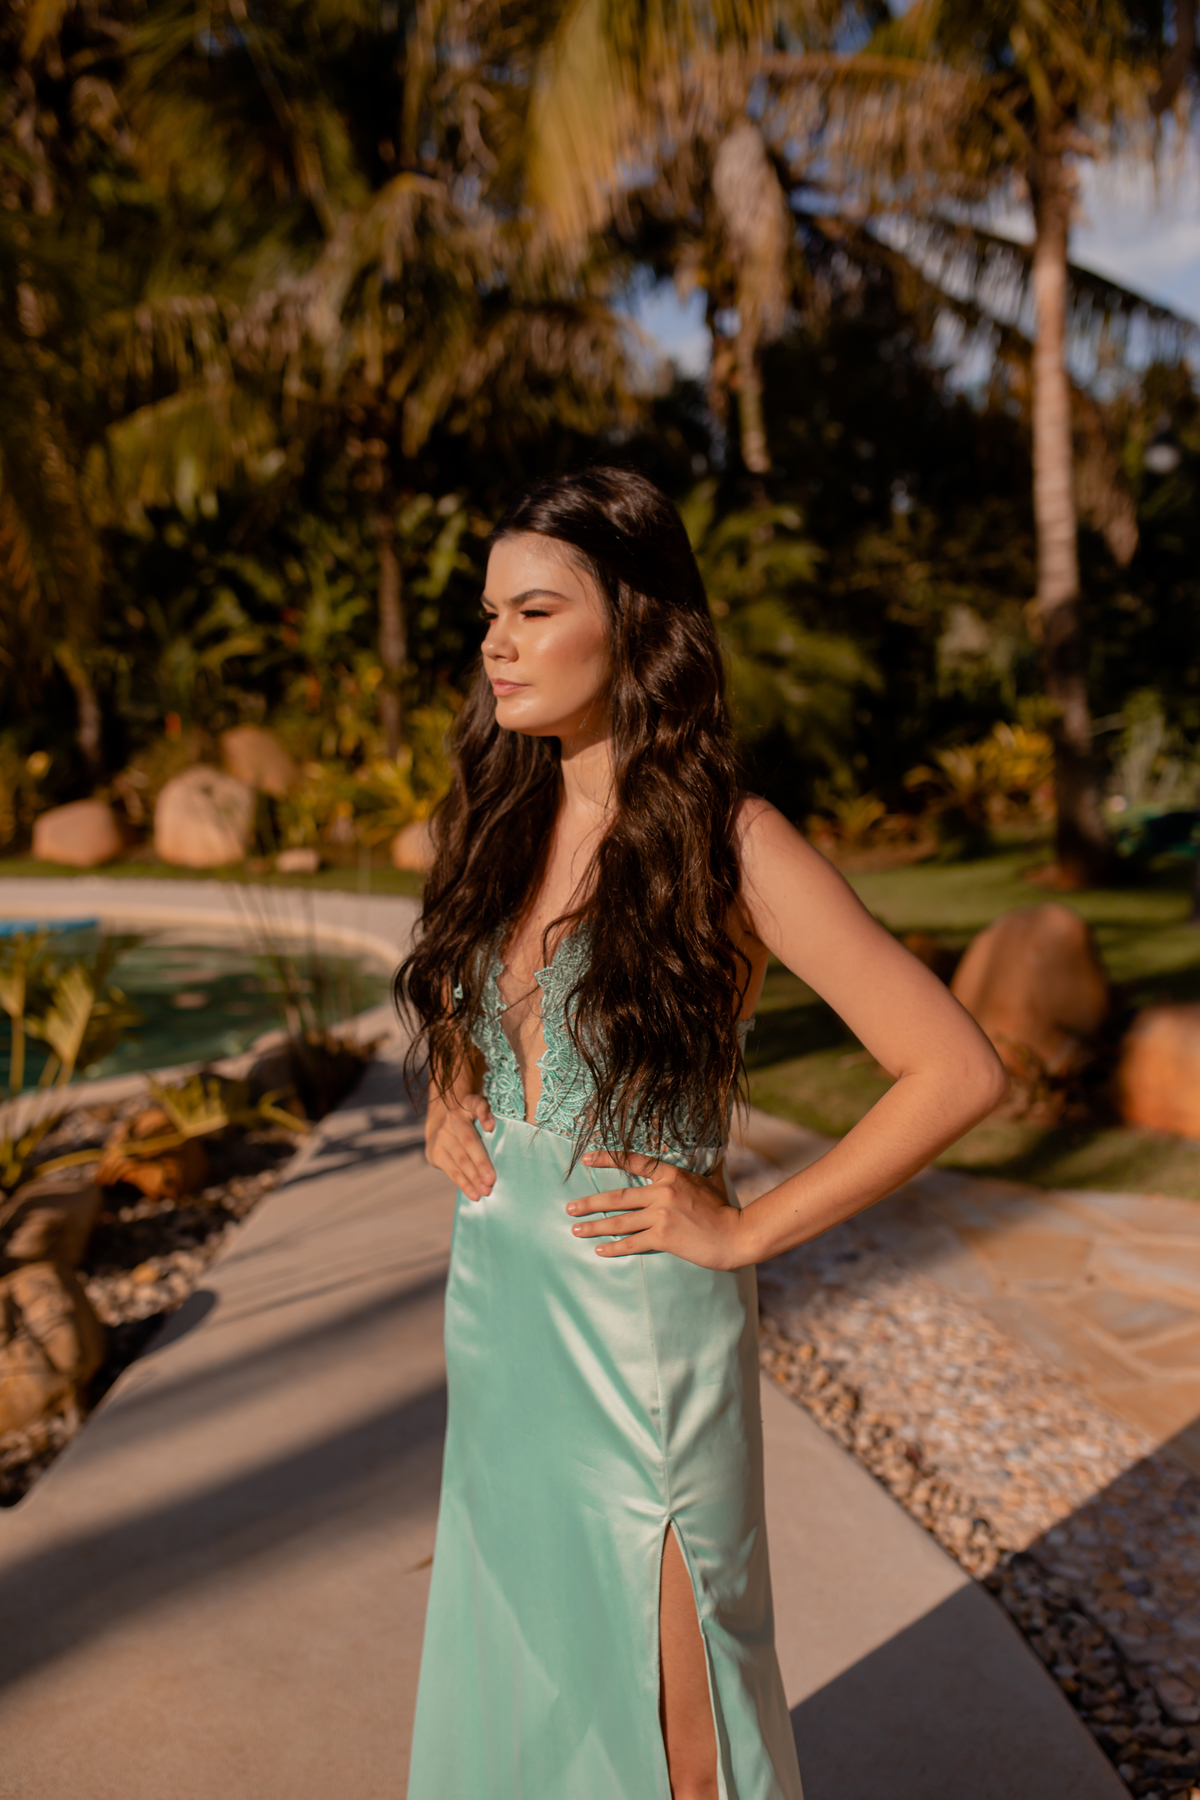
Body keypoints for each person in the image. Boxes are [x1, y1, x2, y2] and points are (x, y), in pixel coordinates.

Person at [398, 466, 1007, 1800]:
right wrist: (456, 1091)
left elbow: (955, 1069)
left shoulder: (733, 842)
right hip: (501, 1317)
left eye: (535, 609)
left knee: (679, 1725)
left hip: (639, 1341)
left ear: (635, 623)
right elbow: (470, 1005)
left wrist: (745, 1229)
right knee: (533, 1662)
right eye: (488, 611)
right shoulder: (502, 816)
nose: (496, 640)